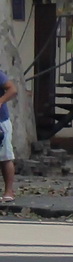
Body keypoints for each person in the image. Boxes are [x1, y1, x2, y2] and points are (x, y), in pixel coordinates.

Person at [0, 69, 17, 203]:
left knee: (5, 156)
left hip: (1, 121)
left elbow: (12, 89)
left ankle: (9, 191)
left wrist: (1, 101)